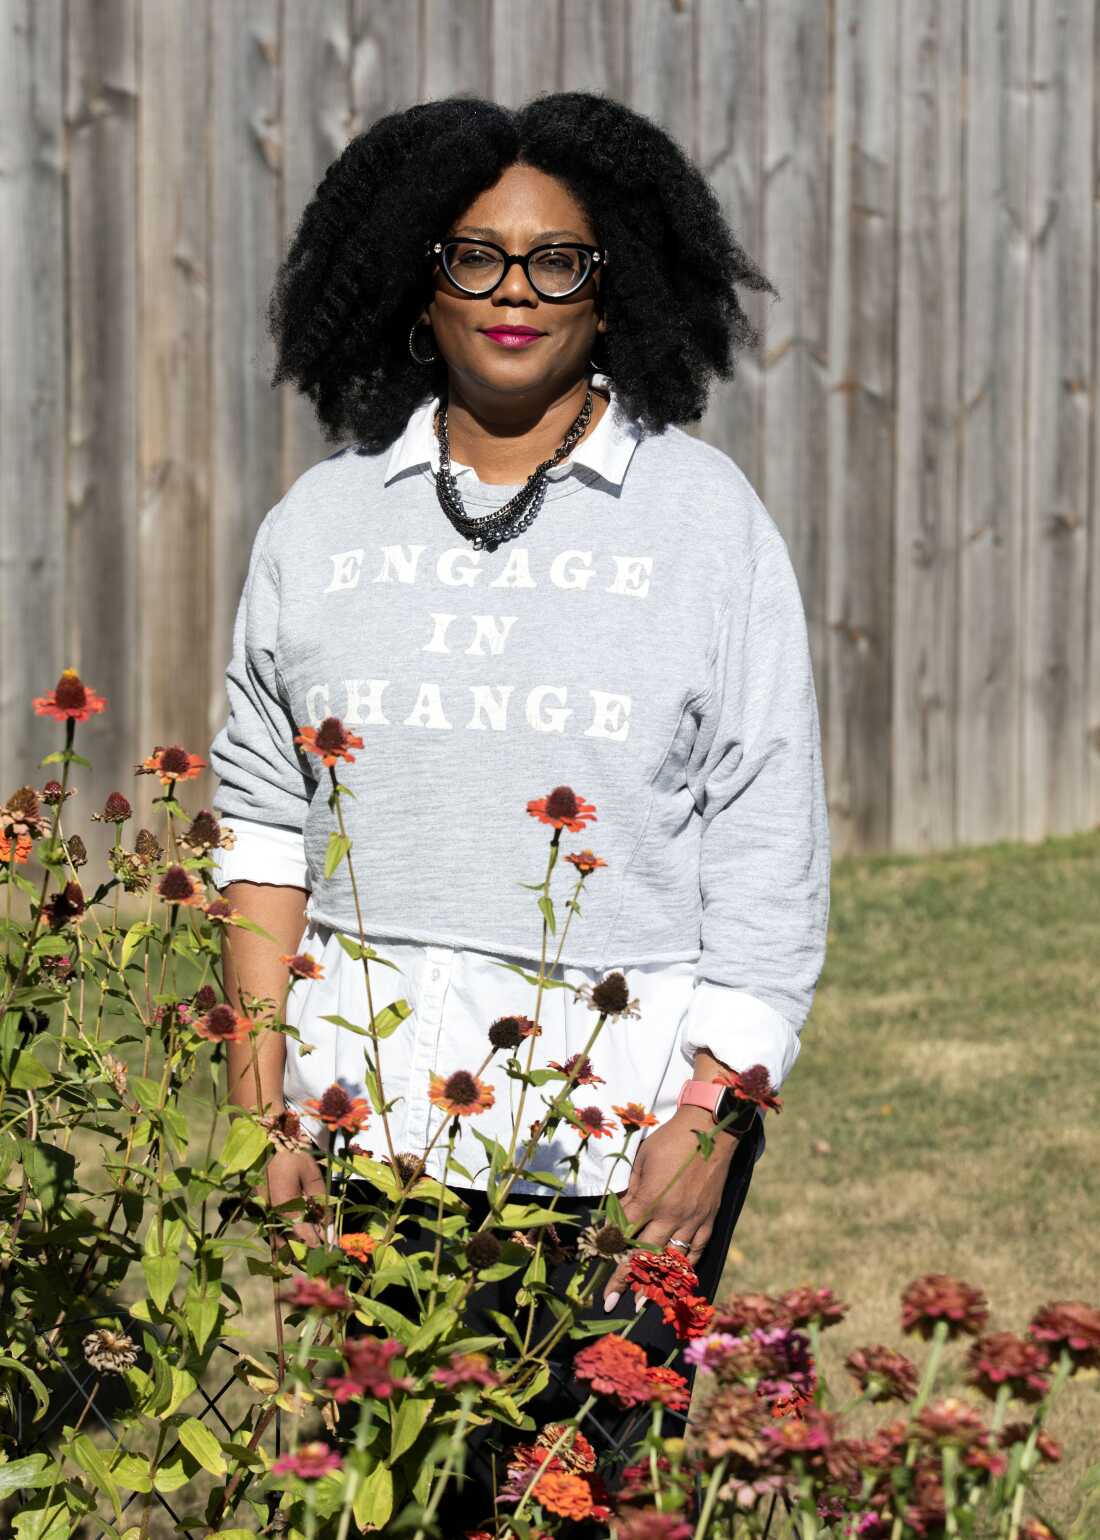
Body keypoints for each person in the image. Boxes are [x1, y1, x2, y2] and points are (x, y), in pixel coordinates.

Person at [208, 90, 830, 1510]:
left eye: (560, 260)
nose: (513, 292)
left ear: (616, 297)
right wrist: (262, 1095)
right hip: (363, 1126)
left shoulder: (706, 522)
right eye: (471, 255)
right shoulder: (320, 527)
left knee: (582, 1502)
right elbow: (259, 819)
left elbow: (770, 839)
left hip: (625, 1142)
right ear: (412, 286)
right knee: (387, 1499)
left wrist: (711, 1116)